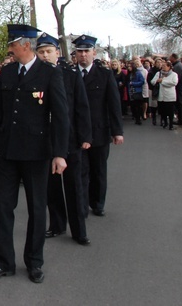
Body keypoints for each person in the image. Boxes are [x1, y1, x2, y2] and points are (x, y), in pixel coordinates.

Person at [0, 25, 69, 284]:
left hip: (37, 152)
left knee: (37, 209)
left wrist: (59, 153)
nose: (9, 48)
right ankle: (4, 261)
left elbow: (61, 116)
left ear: (25, 45)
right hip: (8, 151)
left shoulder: (49, 73)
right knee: (4, 206)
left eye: (12, 44)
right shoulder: (7, 72)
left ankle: (34, 262)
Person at [35, 34, 93, 246]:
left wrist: (85, 136)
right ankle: (57, 225)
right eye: (41, 52)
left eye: (49, 51)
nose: (45, 55)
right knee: (51, 188)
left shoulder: (70, 74)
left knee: (74, 186)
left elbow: (81, 106)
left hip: (70, 139)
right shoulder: (35, 75)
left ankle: (79, 231)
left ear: (57, 53)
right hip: (46, 140)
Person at [74, 35, 124, 218]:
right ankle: (81, 204)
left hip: (99, 131)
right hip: (77, 132)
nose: (83, 55)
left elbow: (114, 104)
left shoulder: (104, 74)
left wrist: (117, 131)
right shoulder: (70, 74)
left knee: (98, 170)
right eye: (80, 51)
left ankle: (97, 202)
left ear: (94, 53)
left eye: (87, 51)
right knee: (80, 170)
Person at [153, 60, 178, 130]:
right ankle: (165, 122)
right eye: (162, 66)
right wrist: (157, 81)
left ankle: (171, 124)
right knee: (163, 111)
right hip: (161, 96)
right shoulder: (159, 73)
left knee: (170, 111)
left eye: (164, 66)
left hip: (170, 96)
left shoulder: (174, 74)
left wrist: (163, 81)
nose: (163, 67)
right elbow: (153, 81)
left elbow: (174, 83)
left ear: (169, 67)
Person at [128, 59, 146, 125]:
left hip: (137, 91)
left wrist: (133, 83)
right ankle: (136, 117)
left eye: (130, 66)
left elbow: (142, 81)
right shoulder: (129, 74)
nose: (129, 68)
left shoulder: (138, 73)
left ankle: (138, 119)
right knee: (133, 106)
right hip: (131, 92)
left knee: (138, 106)